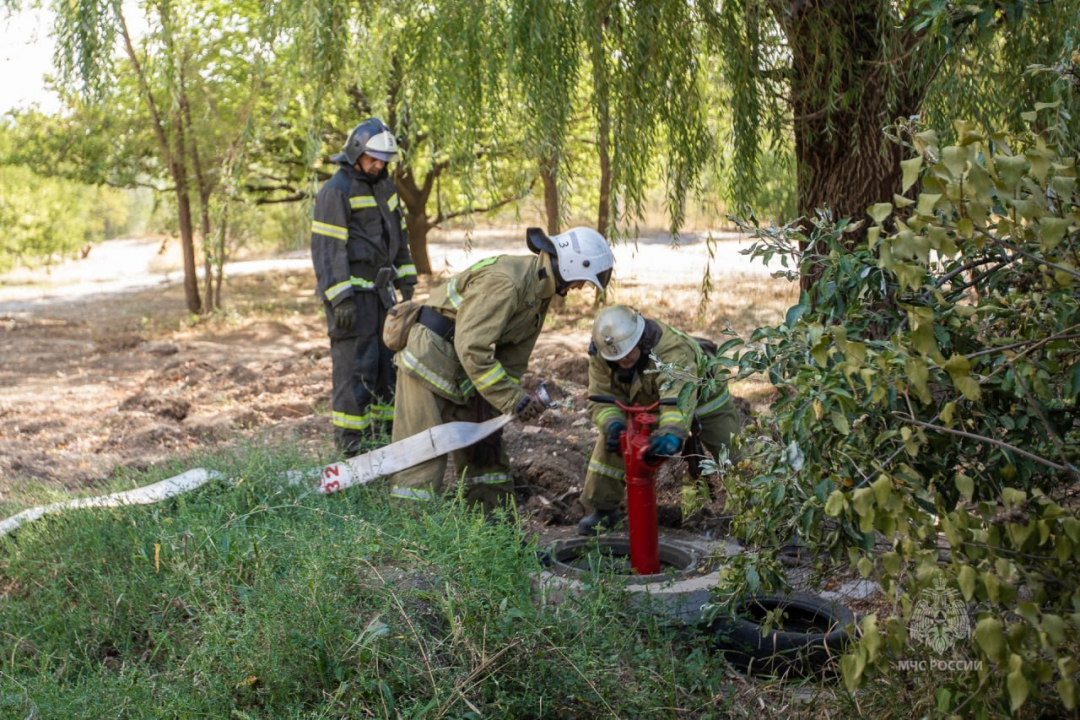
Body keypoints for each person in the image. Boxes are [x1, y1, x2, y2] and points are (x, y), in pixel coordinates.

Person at [389, 227, 615, 513]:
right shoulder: (507, 282)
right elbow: (473, 346)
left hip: (465, 369)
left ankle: (494, 531)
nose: (581, 288)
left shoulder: (540, 291)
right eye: (583, 280)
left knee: (485, 451)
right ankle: (409, 541)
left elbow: (514, 357)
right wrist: (511, 399)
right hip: (429, 362)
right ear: (572, 264)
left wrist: (498, 406)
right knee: (421, 456)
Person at [579, 305, 742, 535]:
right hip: (653, 401)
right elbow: (601, 398)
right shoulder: (603, 352)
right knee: (613, 443)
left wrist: (671, 434)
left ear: (640, 340)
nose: (623, 361)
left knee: (734, 452)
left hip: (705, 398)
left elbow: (678, 399)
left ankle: (767, 515)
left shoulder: (672, 349)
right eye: (618, 357)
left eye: (628, 354)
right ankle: (604, 511)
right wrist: (612, 425)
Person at [311, 118, 418, 457]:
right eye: (373, 158)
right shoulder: (335, 191)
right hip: (352, 304)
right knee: (354, 377)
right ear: (356, 152)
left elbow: (398, 238)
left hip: (383, 299)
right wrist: (340, 298)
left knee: (388, 372)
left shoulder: (385, 187)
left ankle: (386, 446)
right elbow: (329, 252)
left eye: (384, 160)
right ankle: (352, 454)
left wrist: (407, 279)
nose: (379, 165)